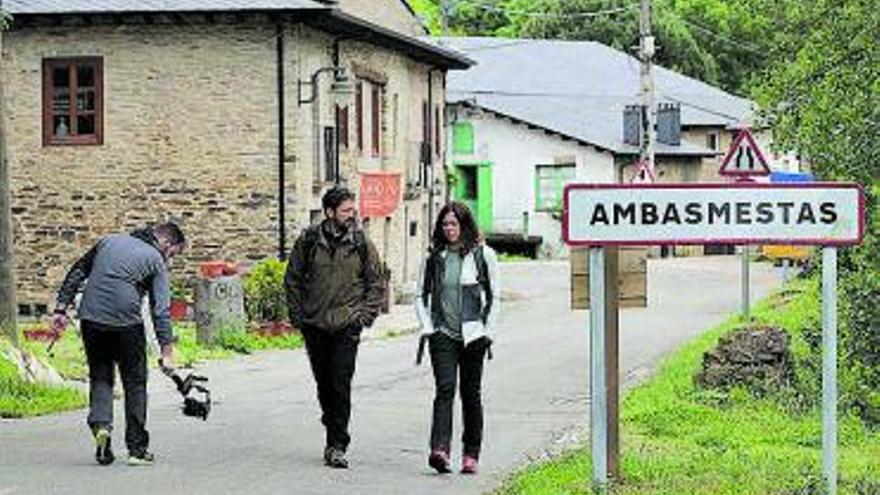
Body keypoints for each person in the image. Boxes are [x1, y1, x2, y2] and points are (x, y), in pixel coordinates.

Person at [51, 222, 186, 467]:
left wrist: (61, 309)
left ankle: (102, 427)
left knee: (101, 376)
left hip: (90, 320)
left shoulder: (109, 241)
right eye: (173, 254)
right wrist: (167, 351)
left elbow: (78, 271)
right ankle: (136, 449)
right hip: (125, 325)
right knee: (135, 383)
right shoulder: (155, 260)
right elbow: (161, 311)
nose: (170, 261)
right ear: (165, 243)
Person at [284, 186, 384, 469]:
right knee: (324, 386)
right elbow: (292, 279)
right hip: (314, 325)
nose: (352, 215)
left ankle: (337, 444)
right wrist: (298, 316)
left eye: (353, 210)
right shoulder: (309, 240)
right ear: (329, 213)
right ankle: (332, 422)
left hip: (346, 325)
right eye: (346, 211)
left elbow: (376, 281)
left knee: (340, 385)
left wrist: (364, 317)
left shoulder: (361, 242)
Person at [415, 201, 500, 475]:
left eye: (454, 224)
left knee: (470, 394)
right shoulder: (433, 258)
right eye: (445, 224)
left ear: (464, 226)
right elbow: (420, 295)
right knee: (445, 389)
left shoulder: (483, 255)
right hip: (442, 334)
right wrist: (428, 327)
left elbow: (495, 296)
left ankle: (471, 454)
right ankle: (439, 450)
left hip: (474, 335)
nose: (450, 229)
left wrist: (488, 332)